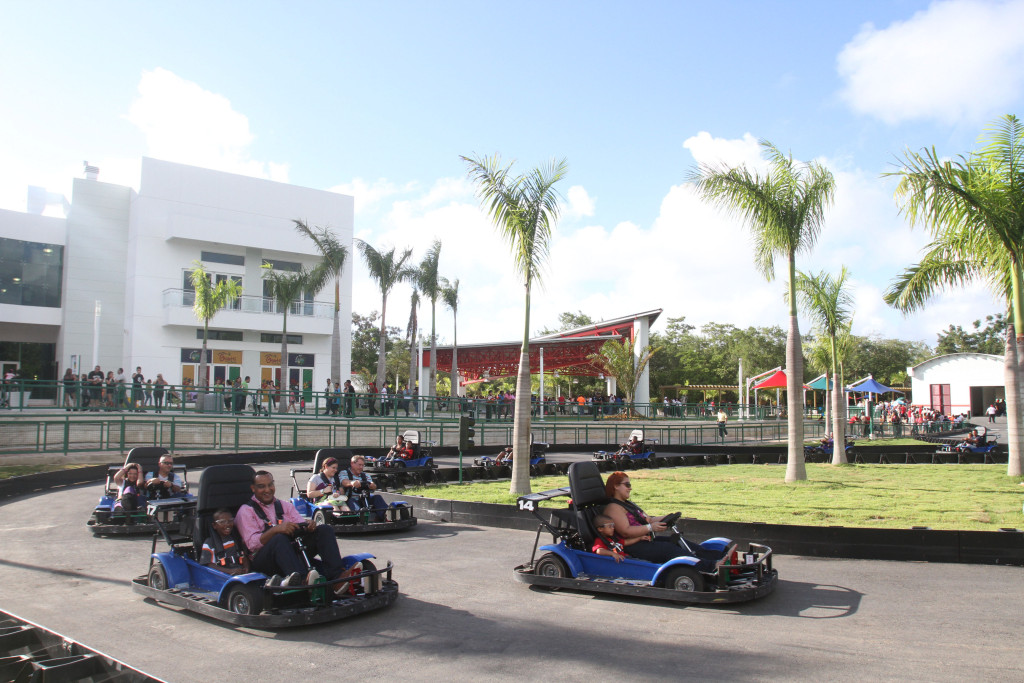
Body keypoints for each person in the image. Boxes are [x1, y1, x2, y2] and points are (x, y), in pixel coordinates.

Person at [235, 470, 352, 591]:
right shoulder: (246, 511)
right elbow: (252, 544)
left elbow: (299, 523)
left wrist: (308, 525)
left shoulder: (285, 506)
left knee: (324, 530)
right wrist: (275, 530)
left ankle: (337, 578)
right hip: (263, 561)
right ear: (253, 488)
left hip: (289, 553)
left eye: (270, 485)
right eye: (261, 487)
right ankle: (302, 580)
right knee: (279, 538)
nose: (267, 489)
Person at [603, 471, 715, 566]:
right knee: (669, 549)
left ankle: (717, 558)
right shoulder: (613, 508)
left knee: (677, 541)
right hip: (633, 547)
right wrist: (650, 528)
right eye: (627, 485)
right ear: (616, 486)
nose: (630, 488)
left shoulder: (628, 504)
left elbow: (649, 520)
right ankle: (710, 567)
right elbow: (626, 532)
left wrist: (669, 517)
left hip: (645, 541)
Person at [201, 508, 251, 575]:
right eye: (222, 522)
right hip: (221, 576)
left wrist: (246, 568)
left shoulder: (236, 539)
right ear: (214, 525)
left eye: (230, 521)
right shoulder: (209, 543)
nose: (227, 524)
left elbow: (243, 556)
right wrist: (229, 571)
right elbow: (209, 565)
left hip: (239, 572)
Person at [340, 455, 387, 522]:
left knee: (377, 497)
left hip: (364, 498)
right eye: (359, 465)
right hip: (350, 498)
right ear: (352, 463)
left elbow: (372, 484)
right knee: (352, 501)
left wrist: (372, 485)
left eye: (362, 465)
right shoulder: (344, 472)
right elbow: (344, 482)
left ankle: (385, 515)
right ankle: (360, 517)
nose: (361, 467)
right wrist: (352, 483)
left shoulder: (365, 475)